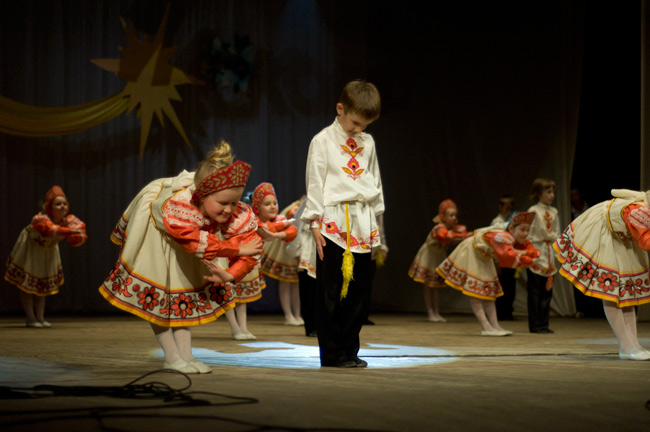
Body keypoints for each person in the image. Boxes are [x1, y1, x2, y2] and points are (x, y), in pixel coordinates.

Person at [98, 141, 263, 374]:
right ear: (202, 196)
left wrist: (231, 274)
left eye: (234, 203)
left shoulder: (233, 213)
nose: (229, 209)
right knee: (158, 296)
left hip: (191, 244)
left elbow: (251, 247)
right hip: (157, 235)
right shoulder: (180, 208)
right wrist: (235, 250)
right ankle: (172, 356)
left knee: (183, 296)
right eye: (223, 203)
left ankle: (186, 355)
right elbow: (191, 239)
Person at [301, 79, 384, 368]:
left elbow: (375, 180)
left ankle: (350, 349)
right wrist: (314, 222)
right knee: (330, 291)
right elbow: (315, 182)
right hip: (333, 221)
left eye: (365, 125)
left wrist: (377, 225)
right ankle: (332, 353)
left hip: (362, 220)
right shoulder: (322, 140)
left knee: (359, 292)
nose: (358, 129)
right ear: (340, 109)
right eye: (355, 122)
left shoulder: (368, 142)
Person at [554, 189, 650, 360]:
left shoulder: (642, 210)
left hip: (621, 238)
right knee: (611, 291)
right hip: (603, 235)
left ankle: (633, 344)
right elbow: (645, 241)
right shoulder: (638, 212)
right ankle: (626, 346)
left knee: (628, 292)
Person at [436, 211, 540, 336]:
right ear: (512, 228)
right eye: (522, 230)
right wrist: (528, 258)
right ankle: (486, 327)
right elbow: (507, 255)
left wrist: (530, 253)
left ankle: (495, 325)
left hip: (484, 256)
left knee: (489, 291)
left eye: (527, 230)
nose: (526, 233)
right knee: (475, 291)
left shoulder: (510, 235)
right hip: (473, 252)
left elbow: (524, 247)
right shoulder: (501, 235)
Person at [5, 186, 87, 328]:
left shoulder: (68, 221)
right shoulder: (40, 218)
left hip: (46, 252)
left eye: (64, 203)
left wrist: (72, 235)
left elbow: (81, 235)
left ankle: (40, 317)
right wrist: (69, 232)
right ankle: (31, 317)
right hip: (30, 251)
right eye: (58, 204)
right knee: (26, 284)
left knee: (41, 285)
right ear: (49, 207)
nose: (62, 206)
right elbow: (48, 230)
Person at [408, 199, 471, 322]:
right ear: (443, 217)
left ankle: (436, 312)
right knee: (428, 285)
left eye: (455, 215)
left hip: (438, 255)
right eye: (451, 215)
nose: (454, 218)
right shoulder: (440, 228)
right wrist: (461, 236)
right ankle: (430, 312)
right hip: (429, 256)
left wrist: (464, 236)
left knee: (436, 286)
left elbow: (453, 238)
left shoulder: (452, 229)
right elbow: (444, 236)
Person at [258, 187, 302, 325]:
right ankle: (289, 315)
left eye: (274, 203)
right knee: (285, 282)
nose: (272, 206)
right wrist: (278, 232)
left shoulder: (283, 217)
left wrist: (276, 234)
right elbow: (286, 227)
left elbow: (292, 230)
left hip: (293, 249)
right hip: (283, 251)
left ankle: (297, 314)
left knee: (295, 284)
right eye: (267, 204)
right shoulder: (294, 209)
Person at [526, 178, 560, 334]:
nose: (552, 195)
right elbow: (529, 233)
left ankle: (544, 323)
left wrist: (556, 246)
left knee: (547, 292)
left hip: (549, 253)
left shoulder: (554, 212)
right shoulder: (533, 210)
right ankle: (535, 325)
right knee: (535, 292)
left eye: (553, 192)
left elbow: (557, 232)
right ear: (539, 193)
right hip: (537, 252)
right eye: (548, 192)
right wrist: (529, 252)